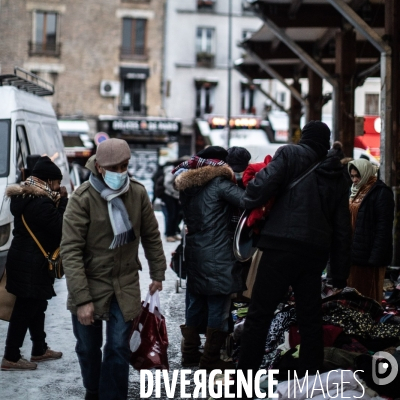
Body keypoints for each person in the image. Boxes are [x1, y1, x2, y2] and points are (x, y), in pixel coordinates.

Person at [235, 121, 352, 389]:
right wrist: (338, 274)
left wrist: (252, 202)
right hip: (314, 255)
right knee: (310, 317)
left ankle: (244, 384)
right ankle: (310, 381)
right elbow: (343, 228)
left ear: (304, 137)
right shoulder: (338, 173)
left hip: (280, 247)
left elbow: (258, 189)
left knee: (259, 315)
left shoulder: (289, 154)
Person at [61, 138, 166, 400]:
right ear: (99, 167)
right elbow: (70, 251)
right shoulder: (81, 199)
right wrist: (83, 299)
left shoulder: (138, 194)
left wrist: (158, 273)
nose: (121, 173)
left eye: (124, 166)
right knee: (88, 347)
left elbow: (151, 235)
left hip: (125, 283)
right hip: (89, 283)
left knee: (118, 346)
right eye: (114, 167)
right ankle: (93, 390)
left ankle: (111, 396)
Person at [174, 145, 245, 371]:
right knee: (218, 305)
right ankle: (210, 359)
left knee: (195, 303)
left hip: (194, 252)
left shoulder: (187, 186)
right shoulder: (219, 184)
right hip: (218, 253)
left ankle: (190, 354)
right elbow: (246, 200)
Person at [1, 156, 67, 371]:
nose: (59, 186)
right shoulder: (40, 202)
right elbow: (60, 228)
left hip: (26, 258)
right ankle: (11, 356)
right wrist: (64, 202)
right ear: (48, 181)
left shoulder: (26, 197)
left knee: (37, 304)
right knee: (24, 308)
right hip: (31, 261)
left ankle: (39, 348)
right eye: (57, 182)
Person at [347, 158, 394, 302]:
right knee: (353, 297)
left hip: (369, 256)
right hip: (354, 253)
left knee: (368, 297)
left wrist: (376, 257)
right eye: (352, 176)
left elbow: (383, 228)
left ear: (366, 173)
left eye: (358, 176)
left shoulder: (380, 192)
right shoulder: (354, 192)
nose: (354, 180)